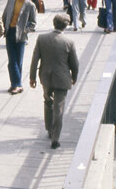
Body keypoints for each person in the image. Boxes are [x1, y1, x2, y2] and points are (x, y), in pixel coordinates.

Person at [29, 13, 79, 149]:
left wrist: (32, 77)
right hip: (62, 79)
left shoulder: (42, 38)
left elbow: (35, 59)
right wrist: (74, 77)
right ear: (66, 25)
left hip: (46, 77)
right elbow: (74, 63)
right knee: (59, 108)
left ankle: (49, 129)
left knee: (47, 101)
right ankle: (55, 137)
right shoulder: (69, 42)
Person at [2, 0, 37, 94]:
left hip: (21, 35)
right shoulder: (11, 1)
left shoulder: (30, 5)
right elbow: (4, 16)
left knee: (18, 61)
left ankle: (15, 85)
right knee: (12, 61)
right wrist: (5, 27)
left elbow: (33, 23)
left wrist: (25, 30)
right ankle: (17, 84)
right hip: (10, 33)